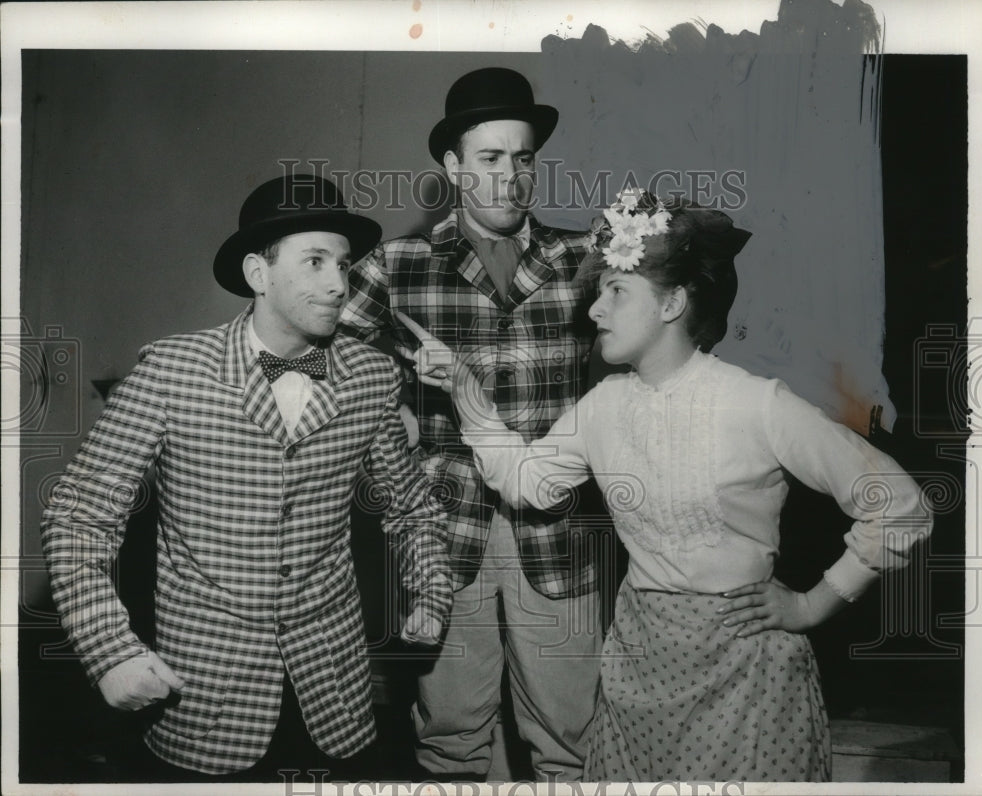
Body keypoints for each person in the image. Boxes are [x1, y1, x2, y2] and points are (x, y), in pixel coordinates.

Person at [399, 188, 932, 782]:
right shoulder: (604, 405)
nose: (595, 310)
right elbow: (528, 482)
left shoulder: (756, 404)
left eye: (616, 291)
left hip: (745, 672)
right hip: (637, 667)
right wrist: (469, 399)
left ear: (674, 302)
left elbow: (901, 506)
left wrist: (814, 603)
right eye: (598, 292)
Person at [40, 174, 453, 782]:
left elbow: (412, 507)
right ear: (259, 274)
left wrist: (432, 592)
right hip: (202, 697)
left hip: (334, 698)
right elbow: (79, 516)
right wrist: (109, 652)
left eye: (342, 263)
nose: (339, 283)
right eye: (314, 262)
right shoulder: (173, 371)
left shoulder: (372, 376)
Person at [338, 67, 604, 782]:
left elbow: (666, 350)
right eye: (490, 159)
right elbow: (312, 363)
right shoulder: (397, 266)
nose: (511, 177)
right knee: (451, 736)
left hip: (557, 529)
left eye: (523, 159)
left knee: (571, 739)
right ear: (454, 167)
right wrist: (389, 416)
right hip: (443, 534)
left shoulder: (586, 261)